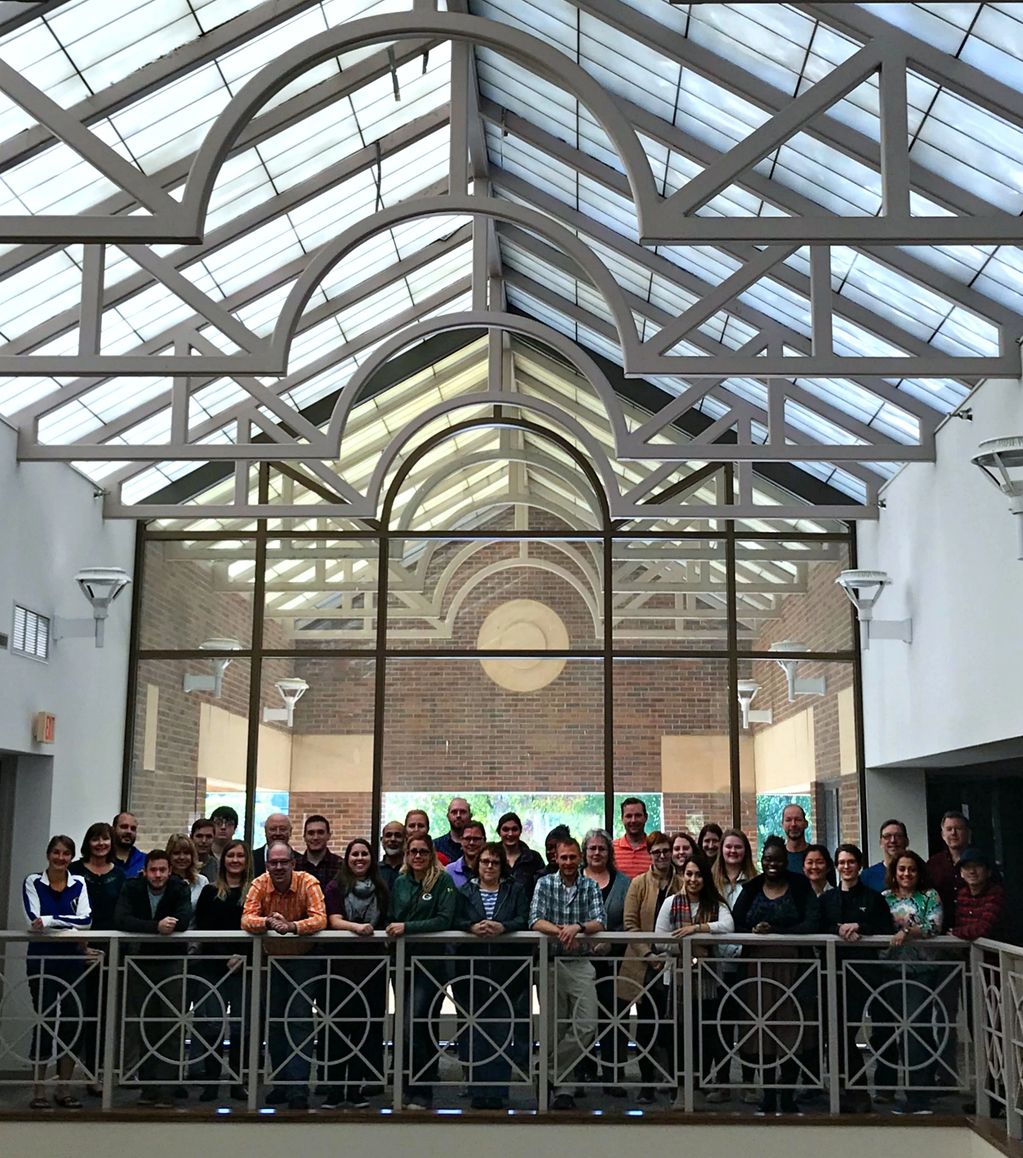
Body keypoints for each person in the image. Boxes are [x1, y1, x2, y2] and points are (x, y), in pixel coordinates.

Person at [732, 835, 821, 1114]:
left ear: (786, 860)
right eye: (768, 859)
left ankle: (788, 1090)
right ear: (762, 860)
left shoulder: (799, 885)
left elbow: (812, 922)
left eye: (778, 859)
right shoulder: (752, 886)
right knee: (762, 1030)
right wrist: (754, 932)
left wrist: (780, 932)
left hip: (793, 967)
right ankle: (768, 1091)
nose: (773, 864)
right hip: (757, 968)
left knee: (792, 1029)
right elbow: (736, 921)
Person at [241, 839, 327, 1110]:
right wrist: (267, 922)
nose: (278, 867)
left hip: (303, 959)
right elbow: (246, 918)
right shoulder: (259, 883)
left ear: (293, 863)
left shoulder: (307, 882)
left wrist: (291, 926)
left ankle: (298, 1087)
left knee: (299, 1021)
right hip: (273, 960)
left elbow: (319, 918)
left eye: (283, 862)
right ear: (267, 865)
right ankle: (281, 1084)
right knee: (275, 1022)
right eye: (273, 862)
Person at [530, 836, 606, 1110]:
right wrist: (564, 931)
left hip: (581, 963)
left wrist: (578, 927)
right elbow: (535, 920)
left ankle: (544, 1070)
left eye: (573, 857)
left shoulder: (589, 885)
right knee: (555, 1028)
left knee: (587, 1025)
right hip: (550, 962)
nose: (569, 862)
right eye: (564, 857)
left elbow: (599, 921)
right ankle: (562, 1088)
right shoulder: (544, 883)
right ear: (556, 859)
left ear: (580, 858)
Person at [114, 849, 193, 1108]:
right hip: (141, 963)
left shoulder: (179, 887)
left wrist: (158, 925)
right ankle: (148, 1087)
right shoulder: (132, 887)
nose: (158, 875)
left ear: (170, 871)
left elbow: (183, 919)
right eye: (153, 870)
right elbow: (122, 918)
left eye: (162, 870)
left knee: (171, 1025)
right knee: (145, 1025)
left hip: (172, 963)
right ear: (145, 871)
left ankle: (167, 1089)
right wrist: (155, 927)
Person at [654, 850, 735, 1101]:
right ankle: (681, 1087)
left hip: (708, 980)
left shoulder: (716, 904)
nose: (693, 879)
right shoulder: (671, 903)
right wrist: (688, 946)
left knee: (705, 1033)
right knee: (679, 1034)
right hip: (677, 979)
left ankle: (698, 1085)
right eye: (689, 874)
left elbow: (728, 926)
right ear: (682, 875)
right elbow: (659, 940)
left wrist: (696, 929)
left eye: (698, 875)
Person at [821, 843, 895, 1112]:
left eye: (851, 862)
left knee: (880, 1029)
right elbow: (817, 924)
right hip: (833, 971)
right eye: (841, 862)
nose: (846, 867)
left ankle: (872, 1088)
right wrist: (837, 929)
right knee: (838, 1031)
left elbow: (884, 928)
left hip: (866, 973)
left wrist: (860, 927)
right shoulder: (827, 899)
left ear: (859, 865)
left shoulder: (874, 898)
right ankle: (850, 1088)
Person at [455, 841, 530, 1109]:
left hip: (506, 971)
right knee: (474, 1030)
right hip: (470, 970)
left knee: (500, 1031)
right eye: (485, 861)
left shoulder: (516, 890)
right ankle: (477, 1091)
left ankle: (497, 1091)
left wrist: (503, 927)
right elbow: (454, 919)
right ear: (478, 864)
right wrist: (472, 927)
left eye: (495, 862)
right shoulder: (464, 891)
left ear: (502, 866)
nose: (489, 866)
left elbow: (524, 919)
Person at [386, 832, 457, 1109]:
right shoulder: (401, 883)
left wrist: (409, 928)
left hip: (430, 965)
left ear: (431, 854)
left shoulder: (443, 882)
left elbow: (444, 919)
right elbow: (393, 916)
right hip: (402, 961)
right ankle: (406, 1085)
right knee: (405, 1023)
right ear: (407, 854)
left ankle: (423, 1087)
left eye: (423, 852)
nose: (417, 856)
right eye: (413, 851)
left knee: (420, 1021)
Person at [23, 835, 92, 1110]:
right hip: (42, 959)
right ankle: (37, 1089)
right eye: (56, 852)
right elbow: (32, 919)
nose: (61, 858)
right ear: (48, 854)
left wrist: (50, 919)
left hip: (73, 960)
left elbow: (86, 921)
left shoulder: (79, 883)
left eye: (66, 854)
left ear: (71, 857)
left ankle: (63, 1087)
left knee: (73, 1022)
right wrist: (67, 925)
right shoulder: (33, 881)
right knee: (45, 1021)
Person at [322, 838, 390, 1109]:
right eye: (354, 854)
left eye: (364, 854)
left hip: (372, 968)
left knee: (366, 1028)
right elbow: (333, 919)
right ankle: (335, 1089)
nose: (359, 858)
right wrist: (356, 928)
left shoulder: (383, 889)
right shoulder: (335, 886)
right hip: (340, 967)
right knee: (337, 1027)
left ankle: (357, 1088)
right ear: (347, 858)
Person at [619, 831, 681, 1105]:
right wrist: (648, 954)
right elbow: (630, 923)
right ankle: (646, 1084)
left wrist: (667, 955)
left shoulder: (683, 883)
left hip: (674, 963)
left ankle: (673, 1081)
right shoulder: (638, 884)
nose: (662, 856)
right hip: (643, 966)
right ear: (650, 854)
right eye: (657, 852)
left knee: (672, 1026)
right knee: (645, 1025)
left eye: (666, 850)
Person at [881, 850, 943, 1115]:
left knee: (915, 1029)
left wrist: (906, 931)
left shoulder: (929, 896)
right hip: (888, 970)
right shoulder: (884, 898)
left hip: (920, 970)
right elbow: (876, 925)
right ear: (894, 872)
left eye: (912, 869)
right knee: (892, 1030)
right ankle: (902, 1088)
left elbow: (934, 926)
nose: (906, 874)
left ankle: (918, 1096)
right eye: (901, 869)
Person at [193, 839, 252, 1103]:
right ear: (224, 860)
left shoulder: (254, 891)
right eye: (231, 856)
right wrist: (225, 956)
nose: (235, 860)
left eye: (240, 856)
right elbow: (204, 930)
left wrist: (242, 956)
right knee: (212, 1025)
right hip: (213, 967)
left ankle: (237, 1081)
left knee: (241, 1027)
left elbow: (257, 928)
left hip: (245, 967)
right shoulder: (209, 892)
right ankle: (211, 1082)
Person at [69, 821, 125, 1096]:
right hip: (78, 949)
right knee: (75, 1013)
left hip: (110, 951)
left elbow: (122, 913)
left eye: (105, 839)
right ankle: (64, 1074)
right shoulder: (75, 871)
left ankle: (94, 1073)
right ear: (88, 842)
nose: (101, 844)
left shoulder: (121, 874)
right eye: (96, 839)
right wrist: (80, 945)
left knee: (102, 1014)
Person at [581, 828, 631, 1094]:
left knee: (613, 1018)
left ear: (609, 853)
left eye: (601, 848)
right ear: (584, 852)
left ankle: (613, 1074)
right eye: (592, 848)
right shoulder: (573, 880)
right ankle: (584, 1070)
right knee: (582, 1015)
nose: (597, 853)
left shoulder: (624, 883)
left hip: (614, 963)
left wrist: (612, 941)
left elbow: (630, 921)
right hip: (578, 962)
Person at [950, 848, 1007, 942]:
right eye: (967, 867)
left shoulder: (996, 894)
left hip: (994, 952)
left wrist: (956, 932)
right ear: (961, 873)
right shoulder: (962, 894)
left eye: (977, 866)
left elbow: (983, 929)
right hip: (967, 952)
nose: (972, 871)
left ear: (988, 872)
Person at [927, 810, 971, 928]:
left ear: (968, 833)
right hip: (941, 932)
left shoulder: (980, 861)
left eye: (958, 828)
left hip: (975, 931)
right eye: (949, 829)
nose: (953, 833)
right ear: (942, 835)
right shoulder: (933, 864)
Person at [496, 811, 545, 900]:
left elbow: (542, 888)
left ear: (520, 831)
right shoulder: (491, 856)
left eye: (514, 829)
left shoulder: (534, 858)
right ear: (499, 832)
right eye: (505, 829)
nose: (510, 834)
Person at [166, 832, 209, 918]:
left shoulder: (202, 881)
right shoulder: (161, 881)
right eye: (176, 853)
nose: (182, 857)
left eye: (186, 853)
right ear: (169, 855)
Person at [861, 819, 909, 893]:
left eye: (898, 836)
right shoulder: (868, 876)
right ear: (881, 843)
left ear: (906, 841)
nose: (893, 840)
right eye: (887, 836)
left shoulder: (917, 872)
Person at [295, 814, 342, 888]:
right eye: (311, 833)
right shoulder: (294, 866)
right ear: (304, 837)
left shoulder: (341, 866)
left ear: (329, 835)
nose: (315, 837)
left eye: (320, 832)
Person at [613, 797, 652, 879]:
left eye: (638, 815)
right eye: (629, 816)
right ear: (622, 819)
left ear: (646, 817)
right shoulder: (611, 849)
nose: (633, 820)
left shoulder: (655, 848)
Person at [446, 820, 485, 889]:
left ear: (484, 841)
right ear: (461, 841)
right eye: (467, 839)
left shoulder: (492, 870)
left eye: (476, 839)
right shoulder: (449, 872)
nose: (471, 843)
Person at [434, 797, 471, 863]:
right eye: (454, 812)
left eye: (463, 812)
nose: (458, 815)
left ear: (470, 816)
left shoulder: (478, 846)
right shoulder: (435, 846)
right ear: (448, 816)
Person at [252, 812, 291, 877]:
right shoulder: (250, 859)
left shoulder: (300, 861)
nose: (278, 833)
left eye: (282, 829)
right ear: (265, 831)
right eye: (273, 829)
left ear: (290, 832)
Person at [111, 811, 145, 877]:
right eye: (124, 827)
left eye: (133, 829)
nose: (129, 831)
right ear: (113, 829)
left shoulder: (144, 861)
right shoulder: (103, 860)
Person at [782, 804, 810, 873]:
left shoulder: (817, 857)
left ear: (806, 824)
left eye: (798, 820)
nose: (793, 824)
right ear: (782, 824)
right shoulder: (777, 857)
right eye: (788, 820)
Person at [191, 818, 218, 883]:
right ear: (191, 838)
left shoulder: (218, 868)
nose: (204, 841)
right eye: (199, 836)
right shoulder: (182, 865)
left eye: (208, 837)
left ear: (214, 839)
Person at [379, 820, 406, 886]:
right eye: (388, 835)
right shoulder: (374, 871)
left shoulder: (412, 870)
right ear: (382, 840)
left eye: (398, 836)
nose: (393, 839)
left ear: (406, 840)